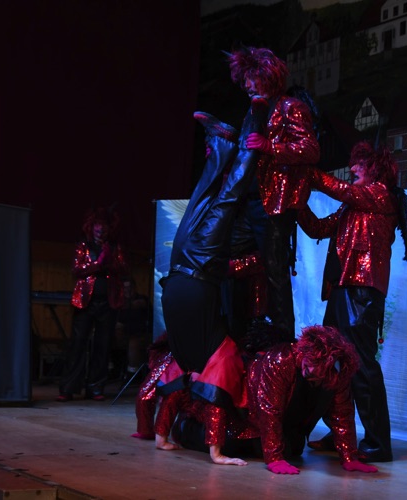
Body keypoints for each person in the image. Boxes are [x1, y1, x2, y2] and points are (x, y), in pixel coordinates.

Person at [158, 94, 269, 465]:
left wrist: (163, 439)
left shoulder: (196, 363)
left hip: (184, 272)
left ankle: (223, 142)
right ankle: (248, 124)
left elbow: (181, 394)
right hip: (193, 271)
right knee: (220, 198)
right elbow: (211, 396)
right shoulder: (212, 358)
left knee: (207, 199)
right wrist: (215, 453)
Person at [298, 140, 407, 462]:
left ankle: (377, 444)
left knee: (360, 364)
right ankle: (341, 433)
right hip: (343, 289)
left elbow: (340, 190)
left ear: (375, 169)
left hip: (361, 292)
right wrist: (296, 204)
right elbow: (318, 228)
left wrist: (306, 171)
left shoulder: (380, 195)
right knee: (331, 362)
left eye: (359, 165)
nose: (352, 169)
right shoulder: (355, 205)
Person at [170, 324, 378, 475]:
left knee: (293, 449)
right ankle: (186, 427)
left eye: (316, 370)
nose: (310, 370)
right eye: (309, 365)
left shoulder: (337, 375)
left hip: (283, 421)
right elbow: (269, 409)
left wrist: (349, 456)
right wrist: (274, 458)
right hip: (246, 418)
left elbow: (342, 413)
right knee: (231, 443)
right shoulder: (280, 359)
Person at [227, 46, 321, 341]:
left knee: (275, 269)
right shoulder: (252, 111)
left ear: (267, 76)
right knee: (228, 253)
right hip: (249, 201)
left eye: (252, 78)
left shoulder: (290, 107)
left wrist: (271, 147)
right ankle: (241, 326)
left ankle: (282, 335)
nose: (247, 85)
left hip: (275, 203)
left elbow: (310, 149)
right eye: (245, 80)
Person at [57, 207, 129, 402]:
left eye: (104, 225)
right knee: (78, 344)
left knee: (102, 345)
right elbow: (76, 269)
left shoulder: (114, 247)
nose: (101, 229)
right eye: (98, 225)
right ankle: (68, 387)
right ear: (91, 226)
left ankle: (95, 388)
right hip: (85, 303)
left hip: (108, 302)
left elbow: (123, 268)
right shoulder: (84, 246)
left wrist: (109, 260)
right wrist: (98, 264)